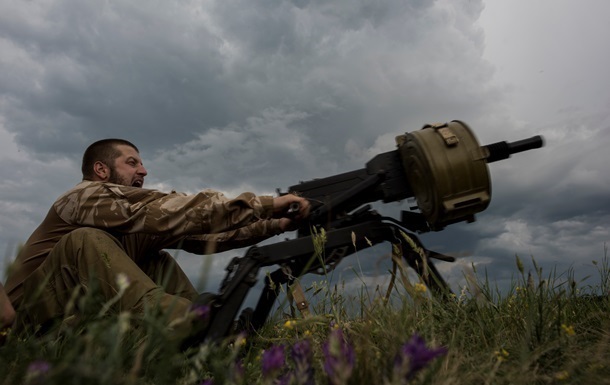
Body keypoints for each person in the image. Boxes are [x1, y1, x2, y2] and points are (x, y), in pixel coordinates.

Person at [3, 138, 309, 340]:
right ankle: (187, 324)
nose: (144, 170)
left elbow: (204, 232)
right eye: (132, 162)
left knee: (155, 254)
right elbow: (165, 210)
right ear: (101, 169)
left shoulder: (124, 224)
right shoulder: (81, 197)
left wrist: (276, 223)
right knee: (84, 239)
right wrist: (264, 203)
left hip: (71, 321)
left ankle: (215, 329)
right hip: (24, 325)